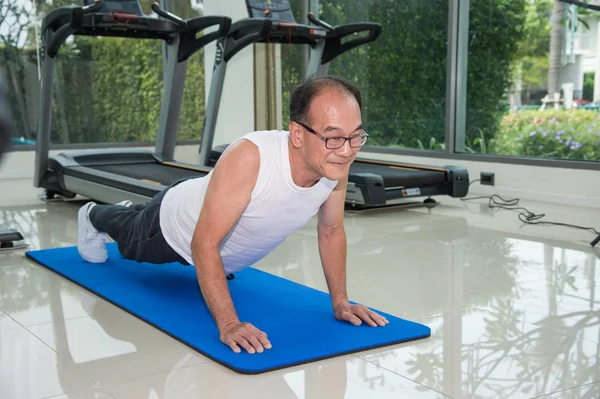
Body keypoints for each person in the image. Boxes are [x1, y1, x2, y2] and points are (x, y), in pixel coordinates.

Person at [77, 76, 389, 355]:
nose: (347, 150)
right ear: (296, 134)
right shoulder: (251, 157)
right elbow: (204, 242)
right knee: (130, 240)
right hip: (174, 226)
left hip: (214, 211)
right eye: (333, 137)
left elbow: (331, 230)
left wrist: (340, 302)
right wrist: (229, 323)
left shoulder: (335, 163)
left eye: (356, 136)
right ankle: (95, 214)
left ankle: (132, 212)